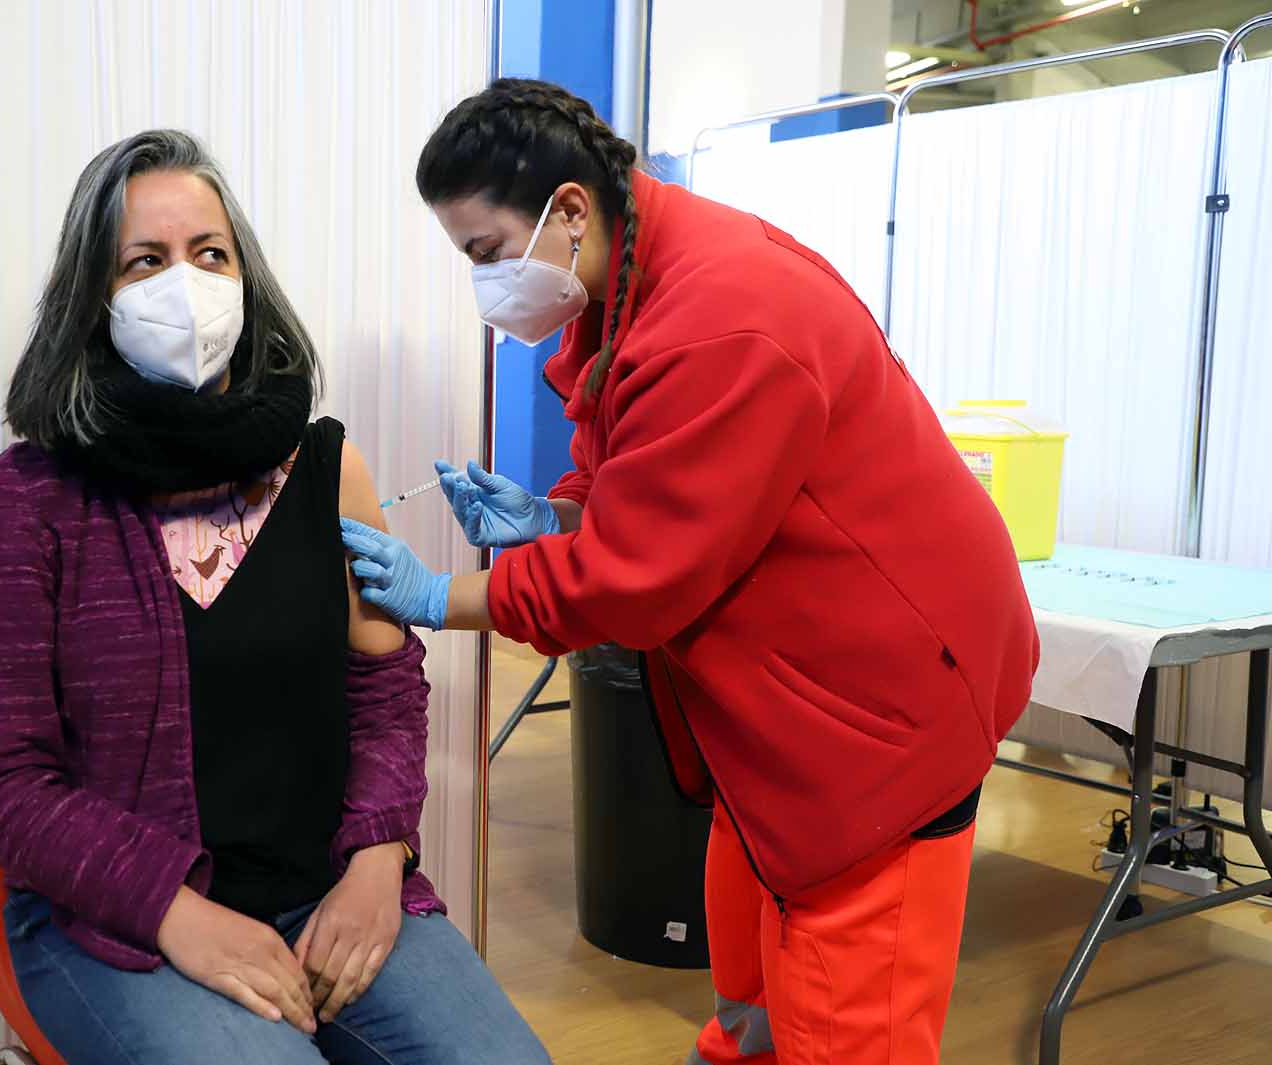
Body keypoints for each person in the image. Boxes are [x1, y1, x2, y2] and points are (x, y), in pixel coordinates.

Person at [340, 80, 1040, 1064]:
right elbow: (654, 471)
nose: (484, 284)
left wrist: (441, 598)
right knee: (752, 997)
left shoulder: (726, 312)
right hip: (781, 719)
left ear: (570, 210)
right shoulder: (636, 274)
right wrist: (562, 511)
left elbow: (637, 579)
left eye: (485, 254)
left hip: (878, 719)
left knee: (844, 1021)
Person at [0, 128, 549, 1065]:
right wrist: (178, 915)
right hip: (119, 923)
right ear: (91, 298)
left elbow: (384, 694)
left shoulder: (325, 467)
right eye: (144, 261)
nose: (182, 285)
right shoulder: (30, 500)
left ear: (245, 277)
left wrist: (377, 861)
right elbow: (2, 785)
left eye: (209, 254)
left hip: (326, 889)